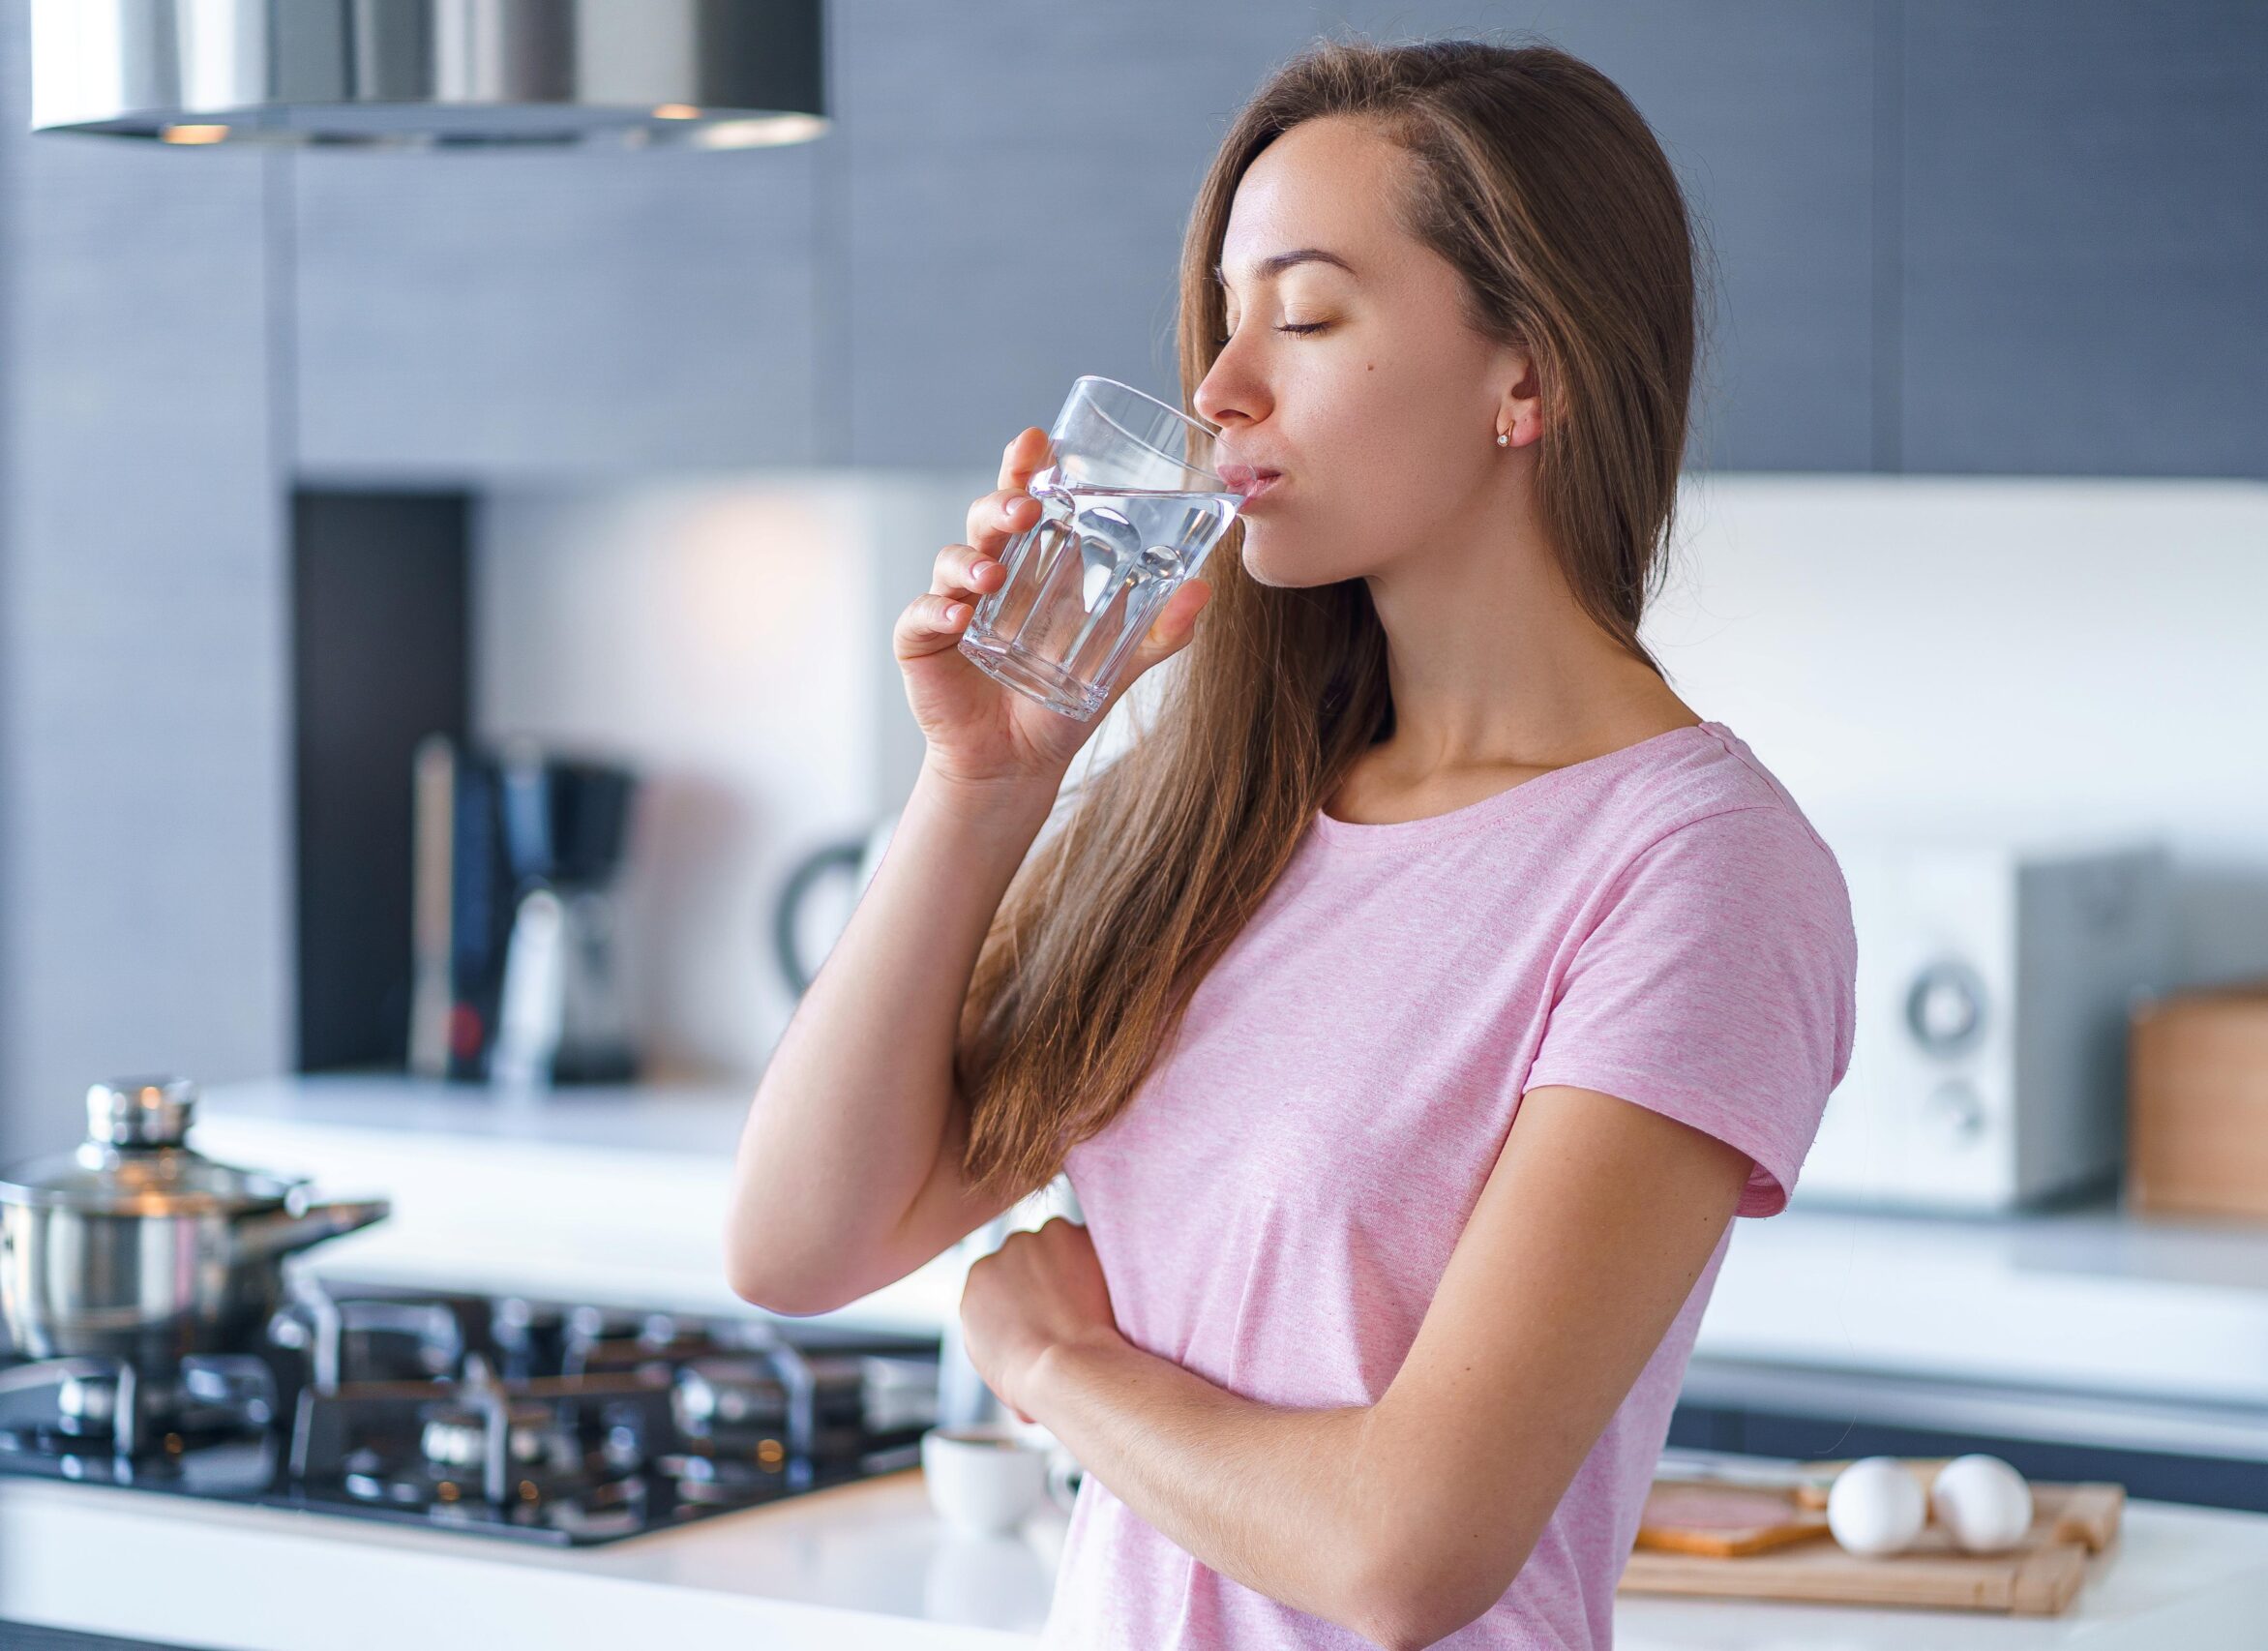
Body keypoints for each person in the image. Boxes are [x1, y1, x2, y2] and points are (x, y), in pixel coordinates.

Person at [727, 33, 1857, 1651]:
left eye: (1308, 316)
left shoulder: (1698, 873)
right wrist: (983, 789)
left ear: (1525, 375)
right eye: (1225, 318)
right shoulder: (1208, 814)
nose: (1220, 389)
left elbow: (1408, 1551)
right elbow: (797, 1239)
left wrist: (1061, 1366)